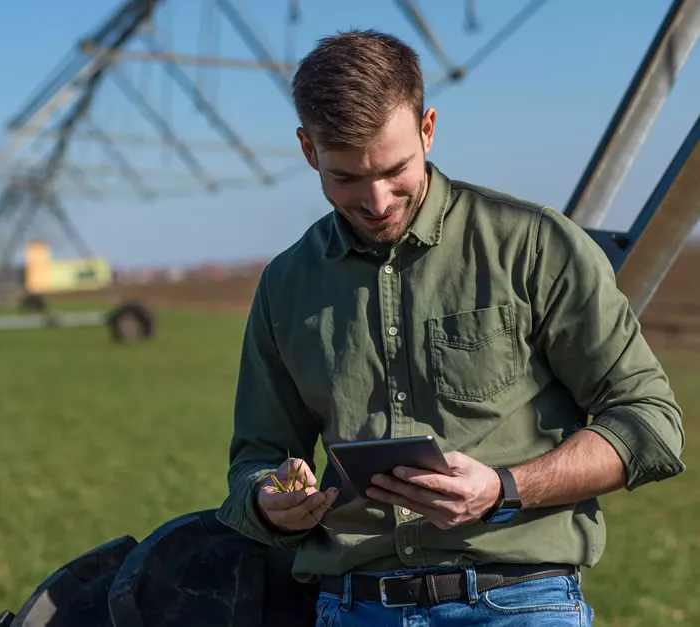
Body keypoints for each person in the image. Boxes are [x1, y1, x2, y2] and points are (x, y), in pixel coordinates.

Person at [215, 29, 686, 626]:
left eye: (394, 169)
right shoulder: (285, 286)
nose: (377, 200)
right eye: (345, 178)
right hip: (354, 607)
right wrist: (268, 499)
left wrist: (503, 488)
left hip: (517, 603)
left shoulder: (534, 246)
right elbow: (256, 455)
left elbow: (651, 423)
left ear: (428, 128)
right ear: (309, 150)